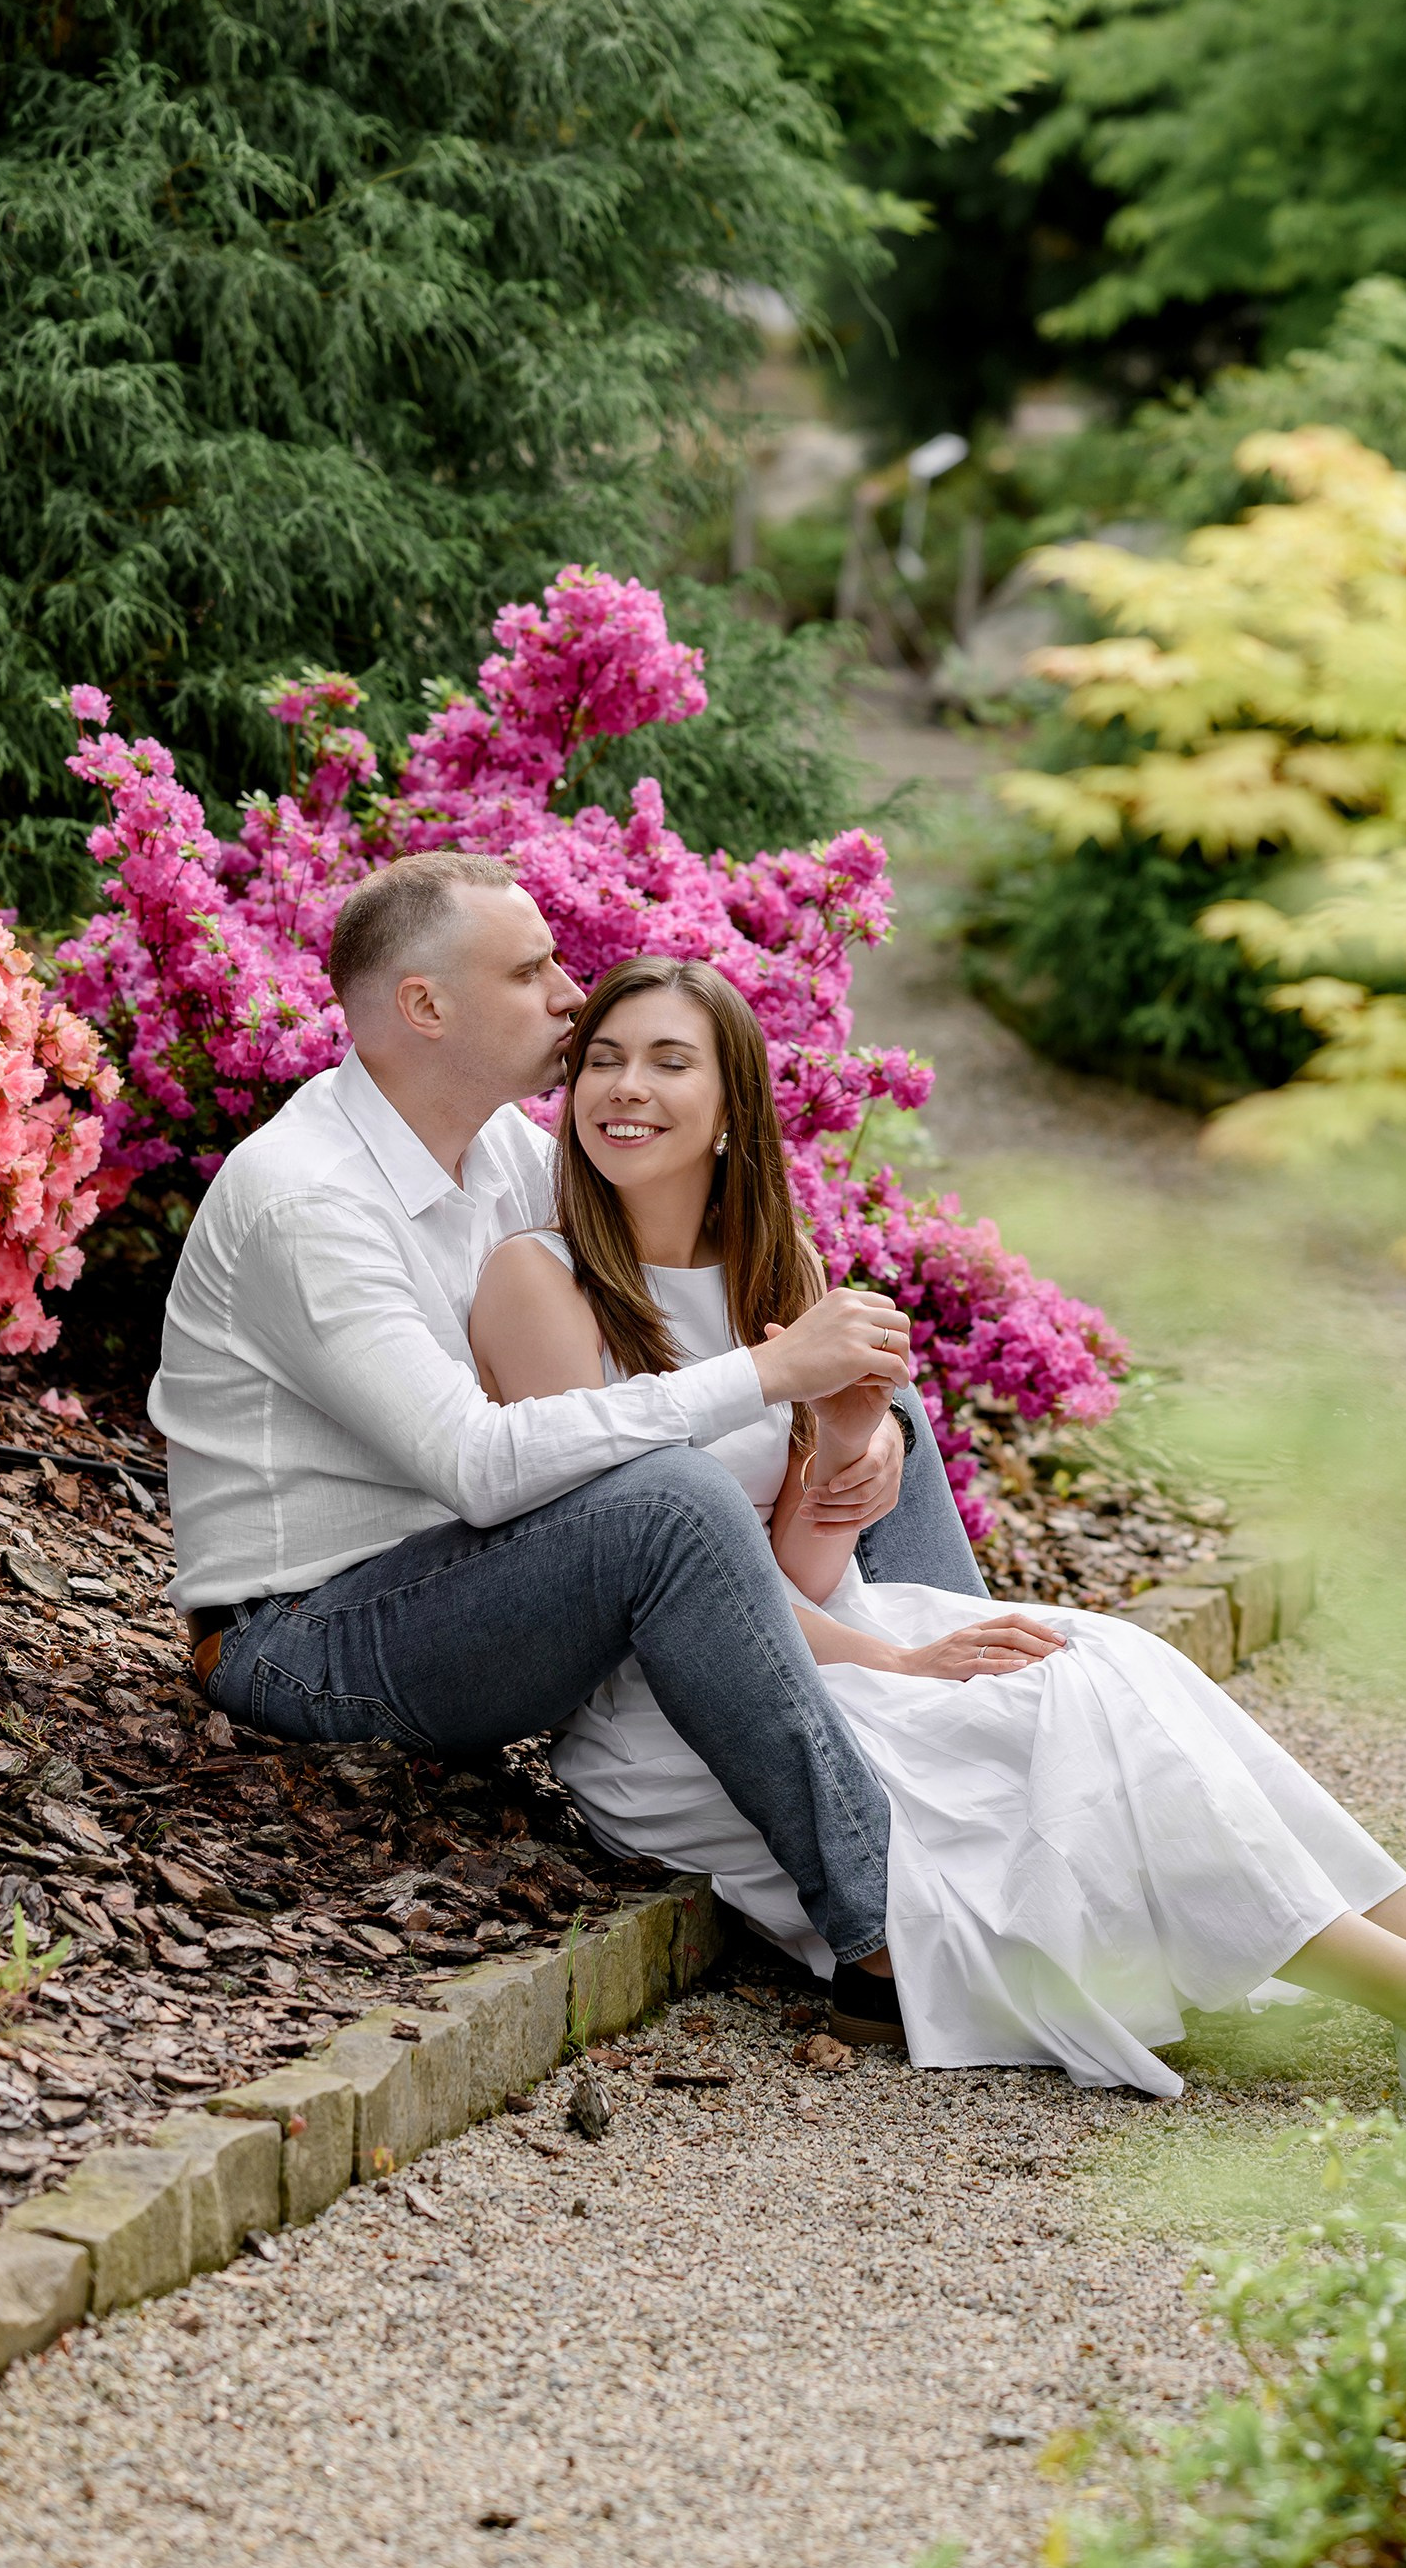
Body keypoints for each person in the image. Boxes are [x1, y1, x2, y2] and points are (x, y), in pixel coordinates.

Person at [469, 952, 1406, 2101]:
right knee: (1059, 1725)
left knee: (1112, 1663)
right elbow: (658, 1586)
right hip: (690, 1712)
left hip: (821, 1630)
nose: (624, 1089)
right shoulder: (539, 1283)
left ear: (728, 1109)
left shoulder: (781, 1268)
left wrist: (847, 1445)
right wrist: (899, 1659)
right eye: (602, 1061)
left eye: (666, 1062)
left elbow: (798, 1559)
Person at [152, 851, 981, 2006]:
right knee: (673, 1497)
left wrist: (846, 1416)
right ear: (426, 1006)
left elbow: (694, 1274)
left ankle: (989, 1723)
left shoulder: (499, 1150)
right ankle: (880, 1926)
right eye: (532, 970)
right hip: (305, 1638)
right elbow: (482, 1468)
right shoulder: (306, 1200)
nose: (570, 995)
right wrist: (769, 1371)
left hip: (476, 1586)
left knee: (875, 1392)